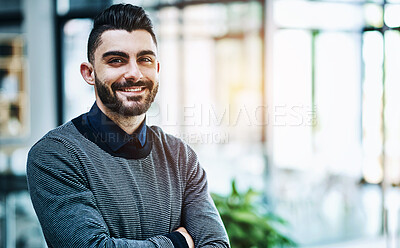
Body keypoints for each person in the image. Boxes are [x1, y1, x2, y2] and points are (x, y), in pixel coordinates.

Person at [26, 4, 230, 248]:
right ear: (89, 73)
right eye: (116, 60)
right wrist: (177, 242)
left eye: (144, 59)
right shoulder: (55, 155)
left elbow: (217, 244)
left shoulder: (181, 157)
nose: (134, 73)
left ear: (156, 69)